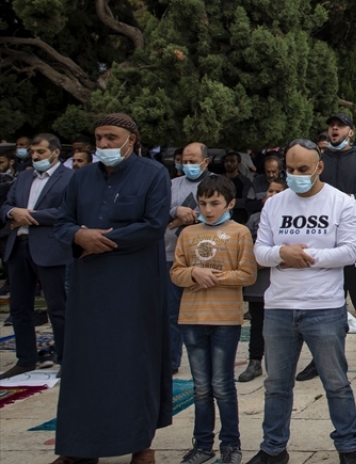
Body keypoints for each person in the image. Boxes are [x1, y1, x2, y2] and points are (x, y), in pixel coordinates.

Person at [52, 113, 172, 464]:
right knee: (85, 363)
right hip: (89, 285)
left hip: (135, 285)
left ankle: (140, 444)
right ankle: (79, 448)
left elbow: (153, 225)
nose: (103, 144)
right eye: (99, 138)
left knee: (133, 362)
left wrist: (100, 240)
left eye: (111, 137)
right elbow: (62, 222)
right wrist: (78, 236)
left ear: (131, 139)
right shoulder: (81, 177)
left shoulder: (154, 174)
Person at [250, 138, 356, 464]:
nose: (296, 175)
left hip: (323, 307)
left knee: (336, 383)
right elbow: (260, 252)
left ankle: (348, 448)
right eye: (290, 169)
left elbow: (348, 252)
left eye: (303, 169)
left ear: (319, 167)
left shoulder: (342, 203)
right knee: (276, 385)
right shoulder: (274, 204)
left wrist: (304, 257)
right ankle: (273, 449)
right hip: (279, 307)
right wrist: (281, 253)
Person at [171, 174, 257, 464]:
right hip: (192, 317)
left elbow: (248, 274)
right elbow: (176, 272)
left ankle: (231, 444)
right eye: (203, 203)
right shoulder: (187, 233)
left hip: (224, 319)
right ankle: (203, 444)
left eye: (215, 203)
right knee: (200, 387)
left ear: (230, 203)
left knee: (222, 384)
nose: (208, 209)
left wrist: (214, 277)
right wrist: (193, 273)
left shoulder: (239, 233)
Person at [295, 113, 356, 383]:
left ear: (351, 132)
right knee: (321, 306)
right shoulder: (318, 162)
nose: (335, 129)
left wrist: (351, 199)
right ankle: (320, 358)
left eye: (341, 126)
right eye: (332, 125)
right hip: (321, 247)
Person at [0, 133, 72, 379]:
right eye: (32, 152)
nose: (35, 156)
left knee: (58, 307)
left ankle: (66, 360)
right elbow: (6, 205)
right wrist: (13, 212)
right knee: (19, 307)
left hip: (50, 249)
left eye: (40, 152)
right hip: (18, 247)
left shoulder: (69, 178)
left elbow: (67, 211)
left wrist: (28, 216)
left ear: (55, 152)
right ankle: (26, 360)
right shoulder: (23, 177)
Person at [169, 142, 213, 373]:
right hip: (171, 255)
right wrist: (174, 212)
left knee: (204, 314)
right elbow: (157, 210)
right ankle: (171, 360)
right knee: (171, 312)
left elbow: (222, 213)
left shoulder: (216, 184)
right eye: (184, 161)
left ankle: (207, 361)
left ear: (206, 161)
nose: (187, 165)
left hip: (205, 258)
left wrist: (191, 216)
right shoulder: (171, 184)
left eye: (193, 161)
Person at [239, 178, 287, 383]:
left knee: (283, 325)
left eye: (278, 192)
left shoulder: (290, 219)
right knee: (257, 322)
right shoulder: (254, 219)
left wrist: (270, 258)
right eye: (270, 191)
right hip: (258, 282)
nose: (272, 195)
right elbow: (245, 245)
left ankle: (281, 363)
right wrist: (255, 259)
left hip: (281, 280)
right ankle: (255, 361)